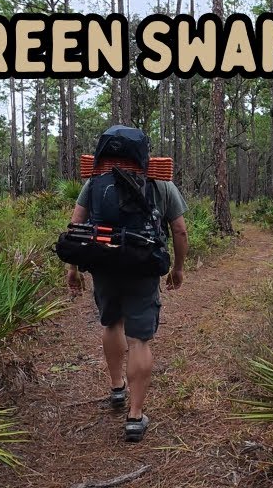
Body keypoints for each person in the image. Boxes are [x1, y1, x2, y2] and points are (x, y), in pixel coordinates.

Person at [66, 126, 189, 442]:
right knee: (140, 341)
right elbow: (180, 230)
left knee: (111, 325)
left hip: (103, 265)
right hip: (142, 268)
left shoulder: (95, 182)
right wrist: (177, 269)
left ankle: (117, 387)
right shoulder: (160, 182)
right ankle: (135, 416)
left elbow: (75, 225)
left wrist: (73, 270)